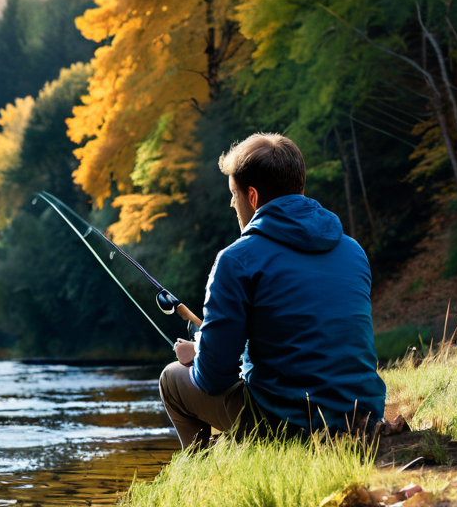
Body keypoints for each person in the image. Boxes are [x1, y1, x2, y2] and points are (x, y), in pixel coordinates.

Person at [159, 133, 386, 450]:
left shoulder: (236, 260)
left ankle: (200, 475)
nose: (232, 204)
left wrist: (196, 359)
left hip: (289, 424)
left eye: (234, 195)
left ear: (252, 197)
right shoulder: (353, 251)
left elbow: (212, 380)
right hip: (361, 415)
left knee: (172, 379)